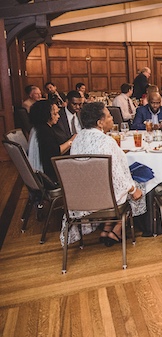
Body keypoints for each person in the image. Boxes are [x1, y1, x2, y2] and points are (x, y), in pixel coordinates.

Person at [70, 102, 145, 246]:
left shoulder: (77, 138)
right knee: (140, 186)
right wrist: (133, 190)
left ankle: (106, 227)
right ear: (100, 123)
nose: (112, 119)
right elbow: (117, 177)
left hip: (80, 196)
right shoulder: (106, 141)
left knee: (115, 186)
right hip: (104, 198)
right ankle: (117, 230)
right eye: (109, 116)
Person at [29, 100, 74, 183]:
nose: (58, 116)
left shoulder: (36, 128)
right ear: (45, 115)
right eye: (55, 114)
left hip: (38, 173)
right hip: (50, 176)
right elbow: (55, 153)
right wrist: (71, 141)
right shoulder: (44, 131)